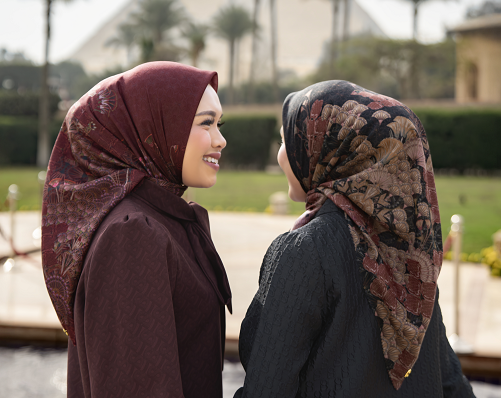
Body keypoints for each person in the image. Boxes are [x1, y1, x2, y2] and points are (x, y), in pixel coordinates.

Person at [234, 80, 475, 397]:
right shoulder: (410, 256)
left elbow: (266, 388)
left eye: (287, 141)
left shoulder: (305, 251)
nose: (283, 154)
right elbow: (451, 383)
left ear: (331, 151)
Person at [41, 62, 232, 398]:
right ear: (154, 127)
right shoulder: (132, 234)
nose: (221, 140)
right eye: (206, 123)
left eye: (219, 124)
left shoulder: (163, 218)